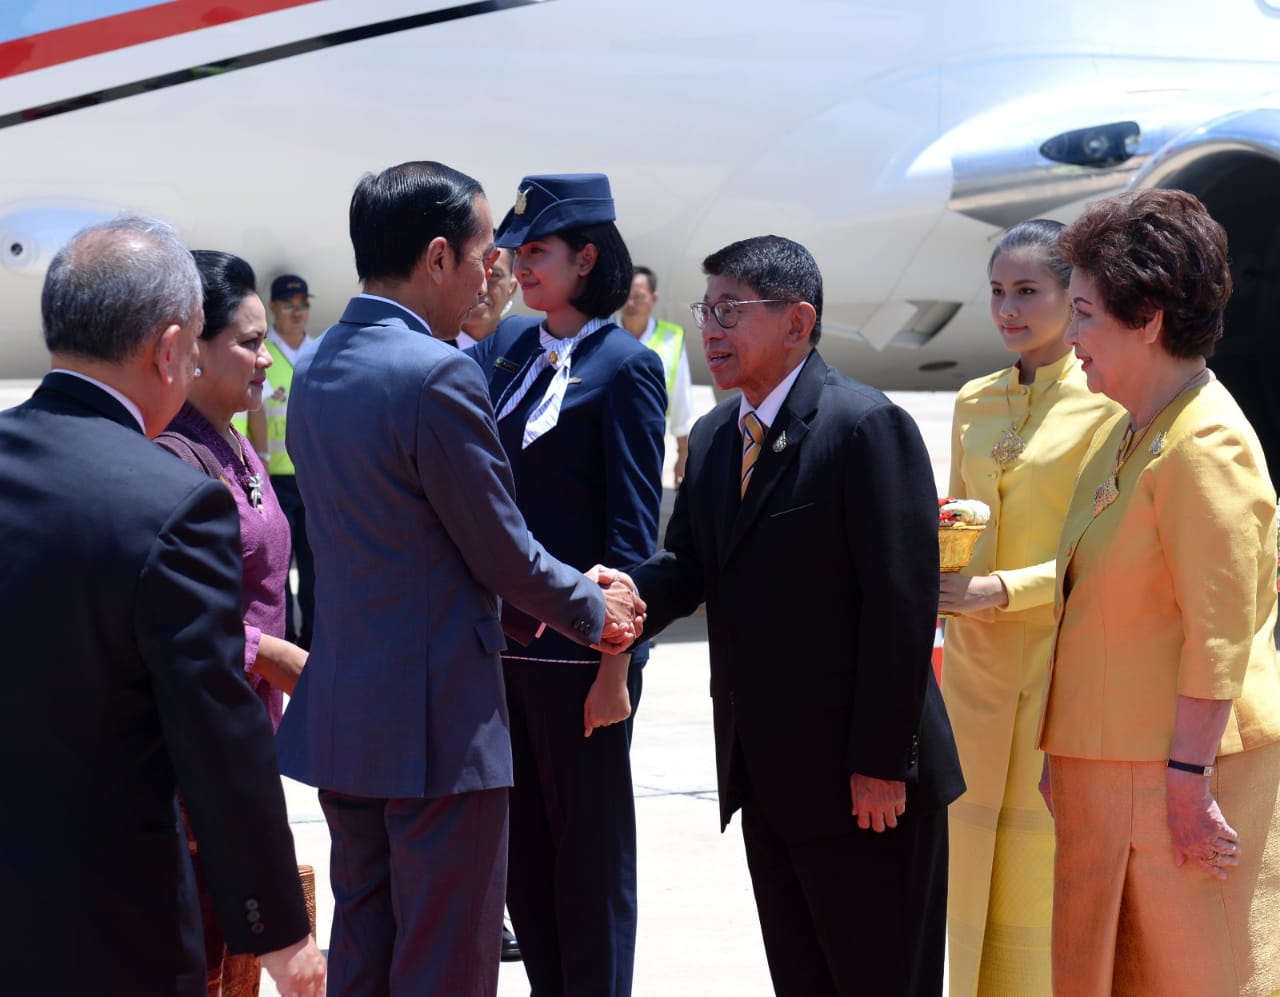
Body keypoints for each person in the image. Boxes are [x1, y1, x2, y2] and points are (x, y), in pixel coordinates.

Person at [273, 160, 644, 997]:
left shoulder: (320, 366)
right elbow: (502, 551)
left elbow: (405, 544)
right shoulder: (438, 373)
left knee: (365, 945)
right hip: (439, 727)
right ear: (438, 257)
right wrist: (598, 606)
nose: (493, 276)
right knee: (447, 959)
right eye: (483, 255)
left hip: (347, 716)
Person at [628, 234, 965, 996]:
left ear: (797, 320)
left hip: (866, 786)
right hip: (769, 779)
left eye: (730, 310)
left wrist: (882, 762)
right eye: (705, 309)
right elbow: (688, 567)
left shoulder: (863, 426)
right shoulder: (716, 437)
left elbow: (901, 602)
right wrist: (605, 604)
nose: (710, 328)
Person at [0, 215, 325, 996]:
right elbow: (220, 735)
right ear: (172, 345)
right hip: (108, 923)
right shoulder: (172, 501)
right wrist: (280, 931)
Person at [1040, 188, 1280, 996]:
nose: (1070, 335)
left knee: (1196, 975)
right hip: (1109, 777)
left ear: (1146, 316)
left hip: (1174, 779)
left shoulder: (1204, 442)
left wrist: (1187, 777)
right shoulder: (1131, 428)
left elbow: (1221, 631)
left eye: (1084, 312)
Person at [470, 173, 666, 996]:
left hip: (583, 667)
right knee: (525, 872)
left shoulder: (626, 367)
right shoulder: (507, 349)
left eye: (538, 250)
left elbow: (631, 537)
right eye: (515, 250)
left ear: (588, 258)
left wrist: (617, 670)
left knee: (588, 872)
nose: (520, 263)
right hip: (502, 659)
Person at [938, 219, 1120, 995]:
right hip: (974, 675)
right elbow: (960, 523)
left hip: (1059, 669)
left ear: (1070, 295)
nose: (1007, 309)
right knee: (967, 878)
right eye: (996, 292)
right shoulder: (975, 401)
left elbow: (1106, 553)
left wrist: (1003, 589)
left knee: (1046, 878)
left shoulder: (1107, 404)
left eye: (1027, 291)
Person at [156, 250, 311, 994]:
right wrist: (272, 651)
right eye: (248, 343)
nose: (264, 360)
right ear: (191, 347)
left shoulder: (238, 441)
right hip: (202, 745)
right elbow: (176, 606)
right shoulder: (172, 452)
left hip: (251, 729)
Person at [246, 272, 317, 649]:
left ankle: (315, 638)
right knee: (278, 566)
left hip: (315, 477)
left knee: (316, 566)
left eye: (302, 306)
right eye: (289, 306)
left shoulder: (320, 352)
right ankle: (285, 639)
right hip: (276, 478)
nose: (297, 313)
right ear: (273, 308)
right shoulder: (264, 354)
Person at [619, 265, 697, 486]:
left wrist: (683, 452)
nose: (631, 303)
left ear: (654, 298)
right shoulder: (603, 332)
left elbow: (680, 399)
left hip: (647, 447)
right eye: (626, 296)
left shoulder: (671, 338)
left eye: (638, 297)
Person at [457, 245, 517, 347]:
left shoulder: (524, 352)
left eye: (493, 275)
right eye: (472, 272)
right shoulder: (427, 347)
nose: (481, 287)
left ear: (512, 288)